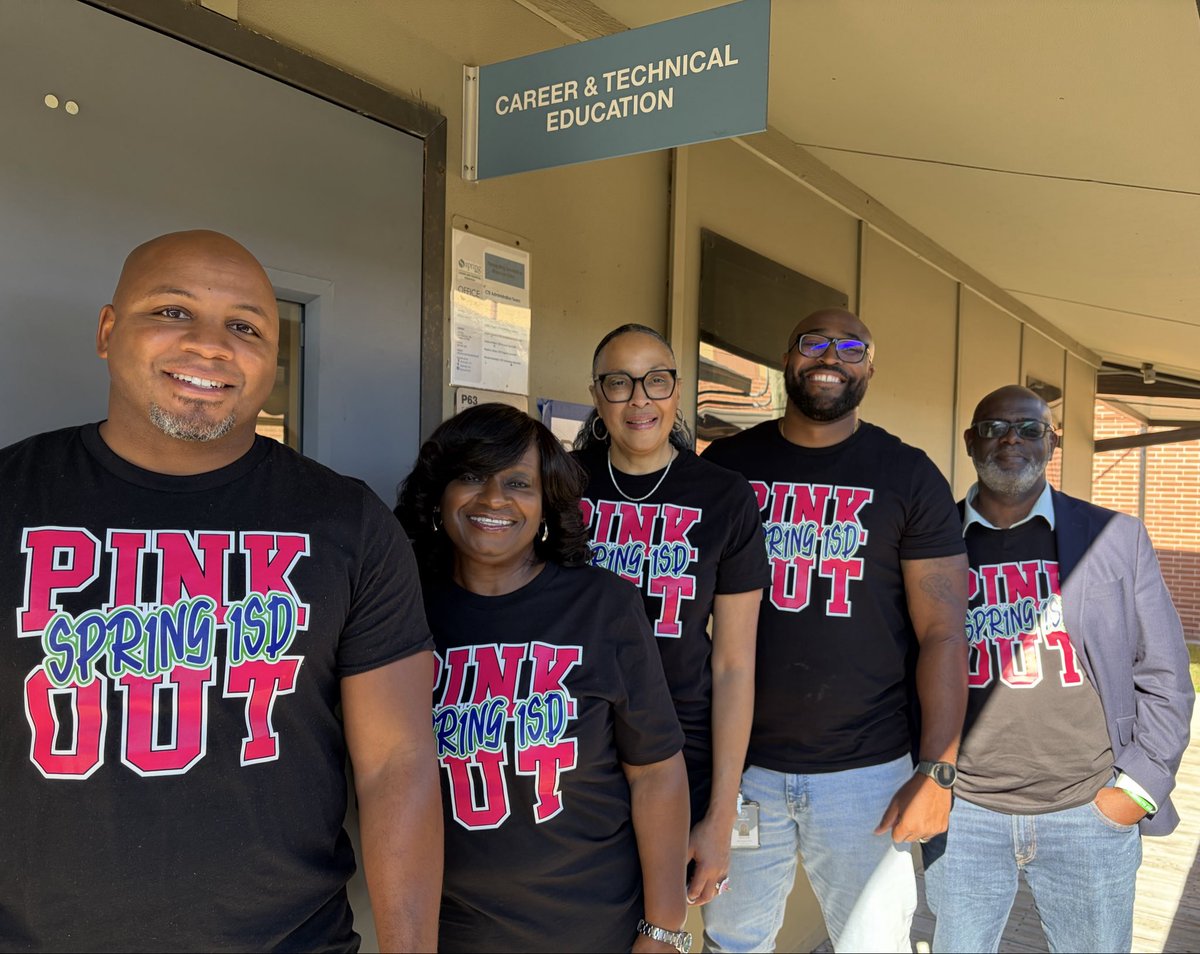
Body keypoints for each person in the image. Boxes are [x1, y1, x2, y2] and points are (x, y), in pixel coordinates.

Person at [0, 230, 441, 952]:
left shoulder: (347, 522)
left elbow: (397, 763)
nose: (211, 345)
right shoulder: (11, 497)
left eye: (245, 326)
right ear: (108, 332)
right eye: (172, 311)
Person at [700, 308, 969, 953]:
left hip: (868, 772)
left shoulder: (907, 475)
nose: (830, 358)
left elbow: (944, 632)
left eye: (850, 348)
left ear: (870, 368)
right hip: (740, 769)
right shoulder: (727, 466)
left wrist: (938, 771)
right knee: (732, 941)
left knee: (871, 943)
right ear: (786, 358)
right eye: (813, 343)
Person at [395, 403, 693, 954]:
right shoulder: (399, 611)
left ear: (547, 506)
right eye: (471, 476)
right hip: (452, 933)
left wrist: (665, 927)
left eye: (518, 483)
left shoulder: (602, 606)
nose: (493, 499)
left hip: (595, 929)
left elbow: (656, 772)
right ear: (438, 496)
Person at [923, 384, 1194, 953]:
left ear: (1052, 442)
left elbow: (1166, 674)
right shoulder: (930, 540)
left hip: (1087, 810)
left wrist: (1137, 789)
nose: (1012, 440)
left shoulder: (1114, 537)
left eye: (1030, 429)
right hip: (964, 811)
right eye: (995, 428)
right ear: (971, 441)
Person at [573, 324, 769, 908]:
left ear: (677, 391)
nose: (640, 399)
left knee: (661, 919)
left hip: (682, 749)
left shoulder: (724, 496)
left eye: (656, 381)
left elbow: (734, 664)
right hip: (571, 740)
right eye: (619, 383)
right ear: (596, 394)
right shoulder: (560, 484)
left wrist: (721, 814)